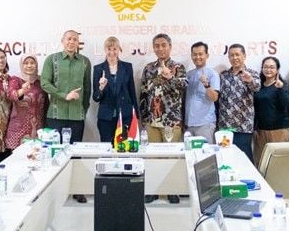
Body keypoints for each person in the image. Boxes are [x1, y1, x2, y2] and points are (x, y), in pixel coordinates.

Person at [41, 29, 91, 203]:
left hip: (77, 116)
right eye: (69, 39)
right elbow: (44, 83)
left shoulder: (85, 62)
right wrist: (64, 95)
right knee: (55, 153)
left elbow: (87, 89)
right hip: (56, 115)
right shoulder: (52, 60)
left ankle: (76, 189)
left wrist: (83, 109)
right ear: (63, 41)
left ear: (78, 43)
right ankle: (53, 191)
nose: (72, 42)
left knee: (75, 153)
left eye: (75, 39)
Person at [139, 33, 187, 204]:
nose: (160, 48)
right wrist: (143, 117)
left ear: (170, 46)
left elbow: (184, 86)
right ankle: (153, 190)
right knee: (152, 157)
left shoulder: (178, 66)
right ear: (153, 48)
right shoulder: (148, 68)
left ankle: (171, 190)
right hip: (152, 120)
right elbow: (144, 92)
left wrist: (170, 77)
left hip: (171, 121)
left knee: (170, 156)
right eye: (157, 45)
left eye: (163, 45)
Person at [218, 43, 261, 163]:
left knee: (245, 158)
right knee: (226, 158)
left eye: (237, 54)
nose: (234, 58)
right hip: (225, 125)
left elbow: (257, 87)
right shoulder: (223, 75)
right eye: (231, 55)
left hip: (244, 126)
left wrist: (250, 80)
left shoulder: (252, 73)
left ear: (244, 56)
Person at [92, 37, 138, 144]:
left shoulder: (127, 67)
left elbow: (132, 90)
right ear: (105, 50)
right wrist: (101, 87)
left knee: (124, 147)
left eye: (115, 49)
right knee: (107, 148)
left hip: (125, 115)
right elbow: (95, 97)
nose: (112, 52)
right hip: (106, 117)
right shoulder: (98, 68)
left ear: (119, 49)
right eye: (109, 49)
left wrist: (136, 113)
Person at [252, 56, 289, 167]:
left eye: (272, 67)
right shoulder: (258, 85)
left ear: (277, 70)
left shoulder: (281, 85)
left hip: (279, 130)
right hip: (261, 131)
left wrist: (280, 89)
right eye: (265, 67)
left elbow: (286, 104)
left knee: (279, 165)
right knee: (261, 163)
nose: (268, 70)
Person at [6, 54, 48, 150]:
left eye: (32, 63)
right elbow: (10, 96)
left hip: (38, 128)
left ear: (36, 65)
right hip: (18, 129)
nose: (29, 66)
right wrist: (22, 91)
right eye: (26, 63)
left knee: (36, 159)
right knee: (18, 161)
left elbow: (46, 103)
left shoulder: (41, 81)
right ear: (22, 65)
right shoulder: (15, 80)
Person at [184, 41, 220, 144]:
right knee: (190, 156)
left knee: (206, 157)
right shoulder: (188, 74)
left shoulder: (212, 74)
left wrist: (206, 85)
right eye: (194, 54)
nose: (197, 57)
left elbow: (214, 98)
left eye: (200, 54)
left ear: (207, 55)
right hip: (189, 124)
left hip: (205, 124)